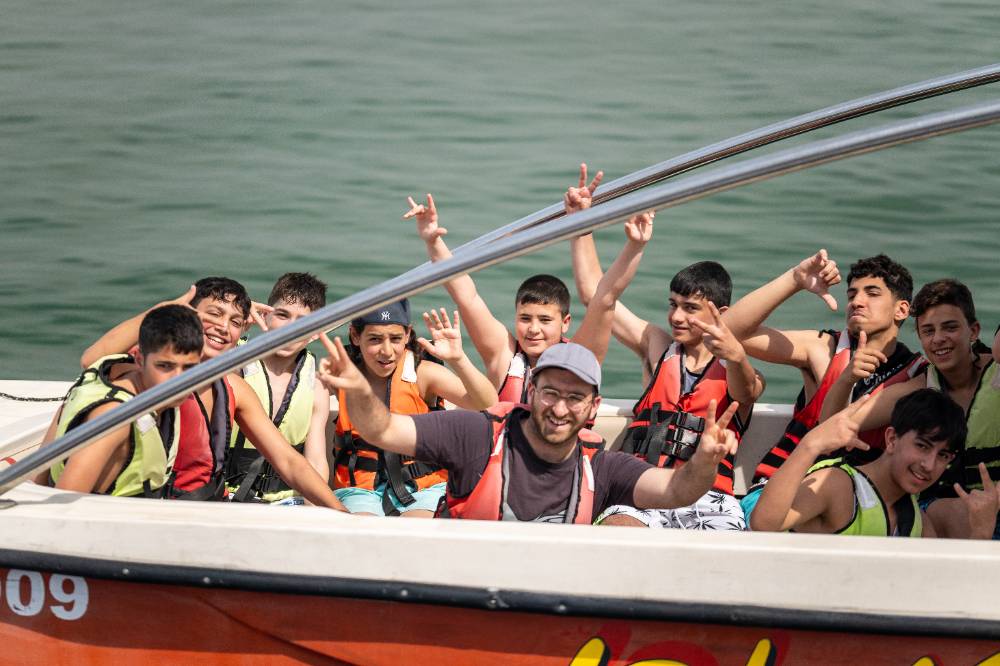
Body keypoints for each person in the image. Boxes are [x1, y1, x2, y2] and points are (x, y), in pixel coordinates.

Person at [318, 338, 738, 523]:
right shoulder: (476, 436)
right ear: (531, 391)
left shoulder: (602, 468)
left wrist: (704, 461)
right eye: (550, 392)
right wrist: (359, 390)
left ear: (593, 407)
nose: (560, 408)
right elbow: (384, 430)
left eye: (575, 398)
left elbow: (676, 491)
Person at [565, 164, 764, 530]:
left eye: (690, 308)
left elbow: (747, 391)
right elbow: (596, 296)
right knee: (617, 534)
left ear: (719, 314)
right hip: (644, 488)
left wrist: (736, 355)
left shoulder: (737, 368)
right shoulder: (658, 347)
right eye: (673, 304)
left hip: (710, 499)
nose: (676, 317)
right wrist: (581, 225)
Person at [71, 277, 347, 510]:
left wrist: (340, 514)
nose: (223, 327)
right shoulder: (152, 373)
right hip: (158, 507)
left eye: (235, 321)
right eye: (214, 314)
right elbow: (92, 360)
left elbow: (289, 462)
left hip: (212, 508)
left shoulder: (233, 389)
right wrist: (167, 311)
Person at [723, 252, 926, 521]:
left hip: (858, 506)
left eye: (872, 293)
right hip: (779, 496)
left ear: (901, 310)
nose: (857, 302)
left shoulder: (916, 376)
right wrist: (795, 280)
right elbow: (727, 331)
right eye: (852, 294)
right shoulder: (824, 349)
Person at [819, 279, 1000, 538]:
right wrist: (847, 378)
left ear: (973, 331)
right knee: (956, 512)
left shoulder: (997, 375)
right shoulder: (918, 388)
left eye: (950, 327)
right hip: (943, 507)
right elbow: (830, 427)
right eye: (928, 331)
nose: (938, 339)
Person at [404, 190, 623, 402]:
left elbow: (604, 300)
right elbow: (466, 297)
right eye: (525, 318)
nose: (533, 329)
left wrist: (586, 226)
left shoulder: (579, 357)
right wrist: (433, 242)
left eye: (545, 320)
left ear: (565, 322)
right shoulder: (503, 355)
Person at [751, 389, 998, 538]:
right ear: (891, 439)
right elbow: (763, 525)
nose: (929, 465)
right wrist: (810, 444)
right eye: (922, 446)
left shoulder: (918, 522)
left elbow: (941, 590)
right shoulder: (837, 485)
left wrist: (982, 532)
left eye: (943, 455)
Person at [332, 299, 498, 517]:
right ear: (355, 336)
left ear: (408, 334)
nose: (387, 351)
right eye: (374, 339)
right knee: (365, 530)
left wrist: (459, 360)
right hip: (359, 489)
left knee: (417, 529)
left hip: (424, 487)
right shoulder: (339, 375)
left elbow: (488, 404)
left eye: (395, 339)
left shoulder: (424, 373)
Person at [49, 305, 206, 496]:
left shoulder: (157, 399)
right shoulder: (113, 419)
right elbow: (61, 504)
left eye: (189, 368)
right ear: (139, 359)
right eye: (165, 366)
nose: (179, 379)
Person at [225, 273, 332, 504]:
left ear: (316, 332)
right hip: (225, 495)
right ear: (264, 315)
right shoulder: (231, 363)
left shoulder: (317, 387)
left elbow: (315, 461)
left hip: (287, 502)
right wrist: (235, 320)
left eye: (303, 321)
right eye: (282, 315)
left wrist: (315, 512)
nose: (290, 328)